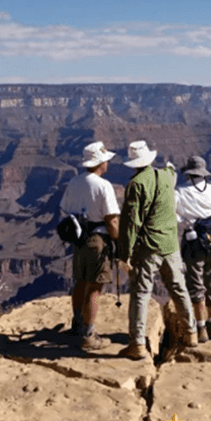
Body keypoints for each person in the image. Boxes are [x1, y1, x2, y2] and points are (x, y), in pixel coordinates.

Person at [114, 140, 197, 360]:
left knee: (141, 294)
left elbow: (131, 223)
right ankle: (191, 332)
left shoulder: (136, 184)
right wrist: (169, 165)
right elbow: (173, 171)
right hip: (170, 244)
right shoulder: (166, 176)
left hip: (148, 249)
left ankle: (138, 344)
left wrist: (124, 255)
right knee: (179, 288)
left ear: (133, 163)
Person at [59, 141, 120, 351]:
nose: (108, 164)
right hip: (97, 240)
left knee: (80, 282)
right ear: (100, 162)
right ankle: (88, 335)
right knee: (95, 287)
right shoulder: (103, 186)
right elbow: (112, 220)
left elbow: (64, 209)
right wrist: (118, 243)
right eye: (106, 160)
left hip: (79, 239)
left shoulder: (74, 182)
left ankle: (77, 325)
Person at [174, 155, 211, 343]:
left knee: (196, 283)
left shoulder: (179, 191)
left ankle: (200, 328)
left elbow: (176, 215)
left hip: (193, 241)